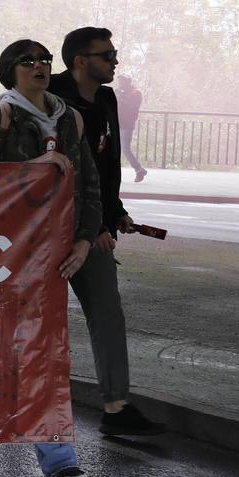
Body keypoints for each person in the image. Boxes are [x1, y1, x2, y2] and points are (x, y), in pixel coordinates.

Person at [0, 37, 100, 477]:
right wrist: (36, 165)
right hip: (4, 253)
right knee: (0, 342)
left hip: (52, 256)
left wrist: (83, 239)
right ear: (10, 71)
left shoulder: (70, 119)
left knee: (42, 353)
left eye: (44, 60)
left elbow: (88, 182)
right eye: (28, 61)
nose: (39, 66)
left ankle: (58, 458)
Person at [52, 28, 163, 438]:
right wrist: (95, 224)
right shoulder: (54, 98)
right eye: (107, 54)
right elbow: (69, 170)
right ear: (81, 60)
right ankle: (2, 404)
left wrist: (114, 212)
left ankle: (116, 406)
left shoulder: (107, 97)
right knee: (27, 321)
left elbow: (106, 163)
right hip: (48, 228)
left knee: (107, 313)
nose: (115, 61)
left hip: (94, 223)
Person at [115, 72, 147, 181]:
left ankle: (139, 169)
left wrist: (122, 99)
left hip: (126, 125)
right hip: (116, 123)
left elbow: (132, 108)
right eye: (120, 80)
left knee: (125, 149)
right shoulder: (117, 92)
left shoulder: (136, 93)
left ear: (128, 82)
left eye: (123, 81)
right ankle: (112, 173)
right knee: (114, 148)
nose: (120, 83)